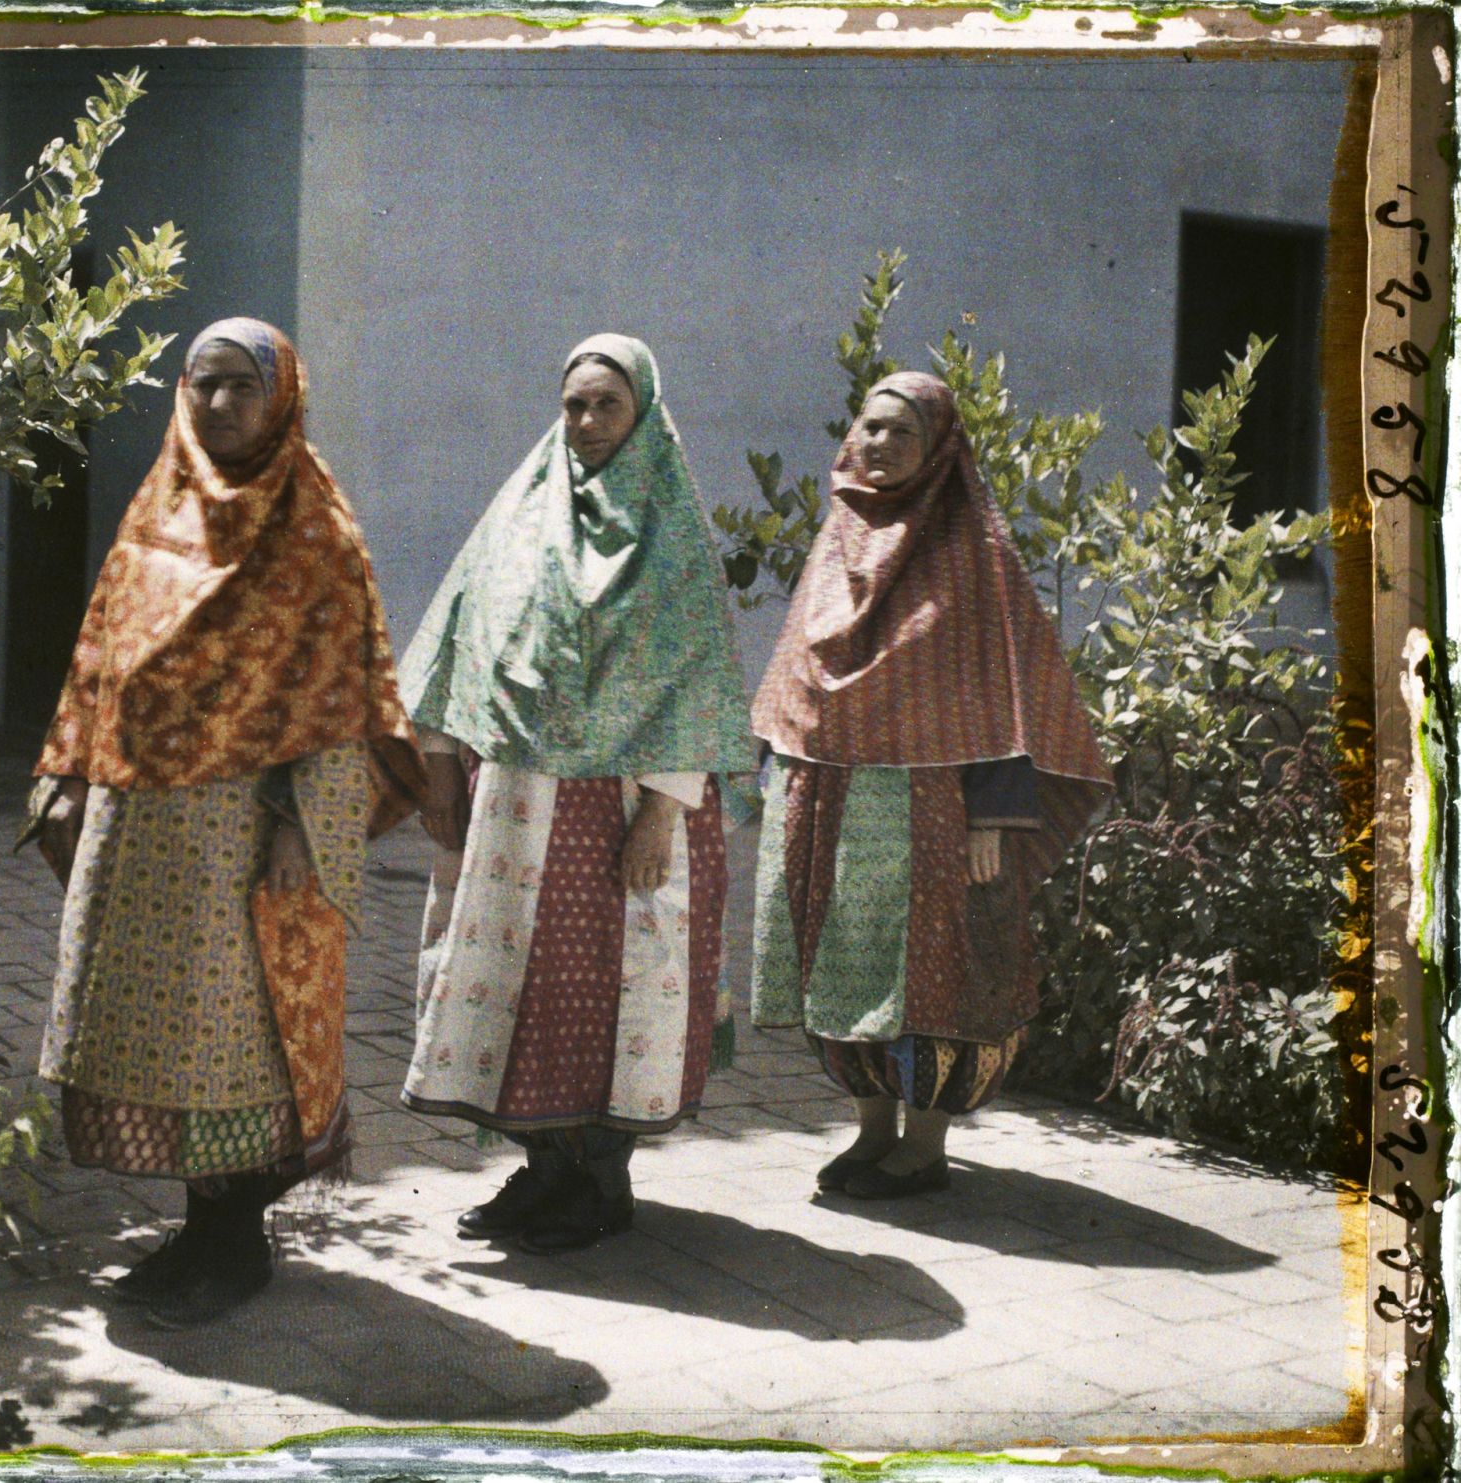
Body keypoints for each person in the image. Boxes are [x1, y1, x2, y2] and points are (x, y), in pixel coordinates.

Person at [23, 317, 422, 1325]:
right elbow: (100, 651)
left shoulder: (316, 530)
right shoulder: (157, 503)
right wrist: (68, 770)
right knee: (151, 1034)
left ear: (282, 395)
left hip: (242, 840)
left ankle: (232, 1238)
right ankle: (198, 1228)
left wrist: (302, 827)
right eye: (202, 384)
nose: (219, 405)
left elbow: (343, 694)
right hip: (141, 826)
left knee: (234, 1037)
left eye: (242, 386)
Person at [396, 334, 756, 1254]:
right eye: (575, 405)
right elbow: (458, 629)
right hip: (517, 809)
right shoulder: (520, 515)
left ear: (643, 415)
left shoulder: (671, 533)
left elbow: (701, 680)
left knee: (604, 997)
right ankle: (542, 1167)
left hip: (622, 817)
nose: (589, 423)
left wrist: (664, 815)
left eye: (608, 406)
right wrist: (438, 761)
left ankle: (600, 1183)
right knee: (519, 990)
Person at [750, 371, 1112, 1200]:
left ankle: (926, 1143)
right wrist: (774, 774)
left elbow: (1003, 684)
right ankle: (873, 1127)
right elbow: (799, 666)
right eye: (868, 429)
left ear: (939, 447)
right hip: (831, 796)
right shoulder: (839, 532)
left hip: (928, 805)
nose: (877, 446)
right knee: (839, 963)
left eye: (900, 434)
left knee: (929, 970)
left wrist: (995, 811)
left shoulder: (970, 545)